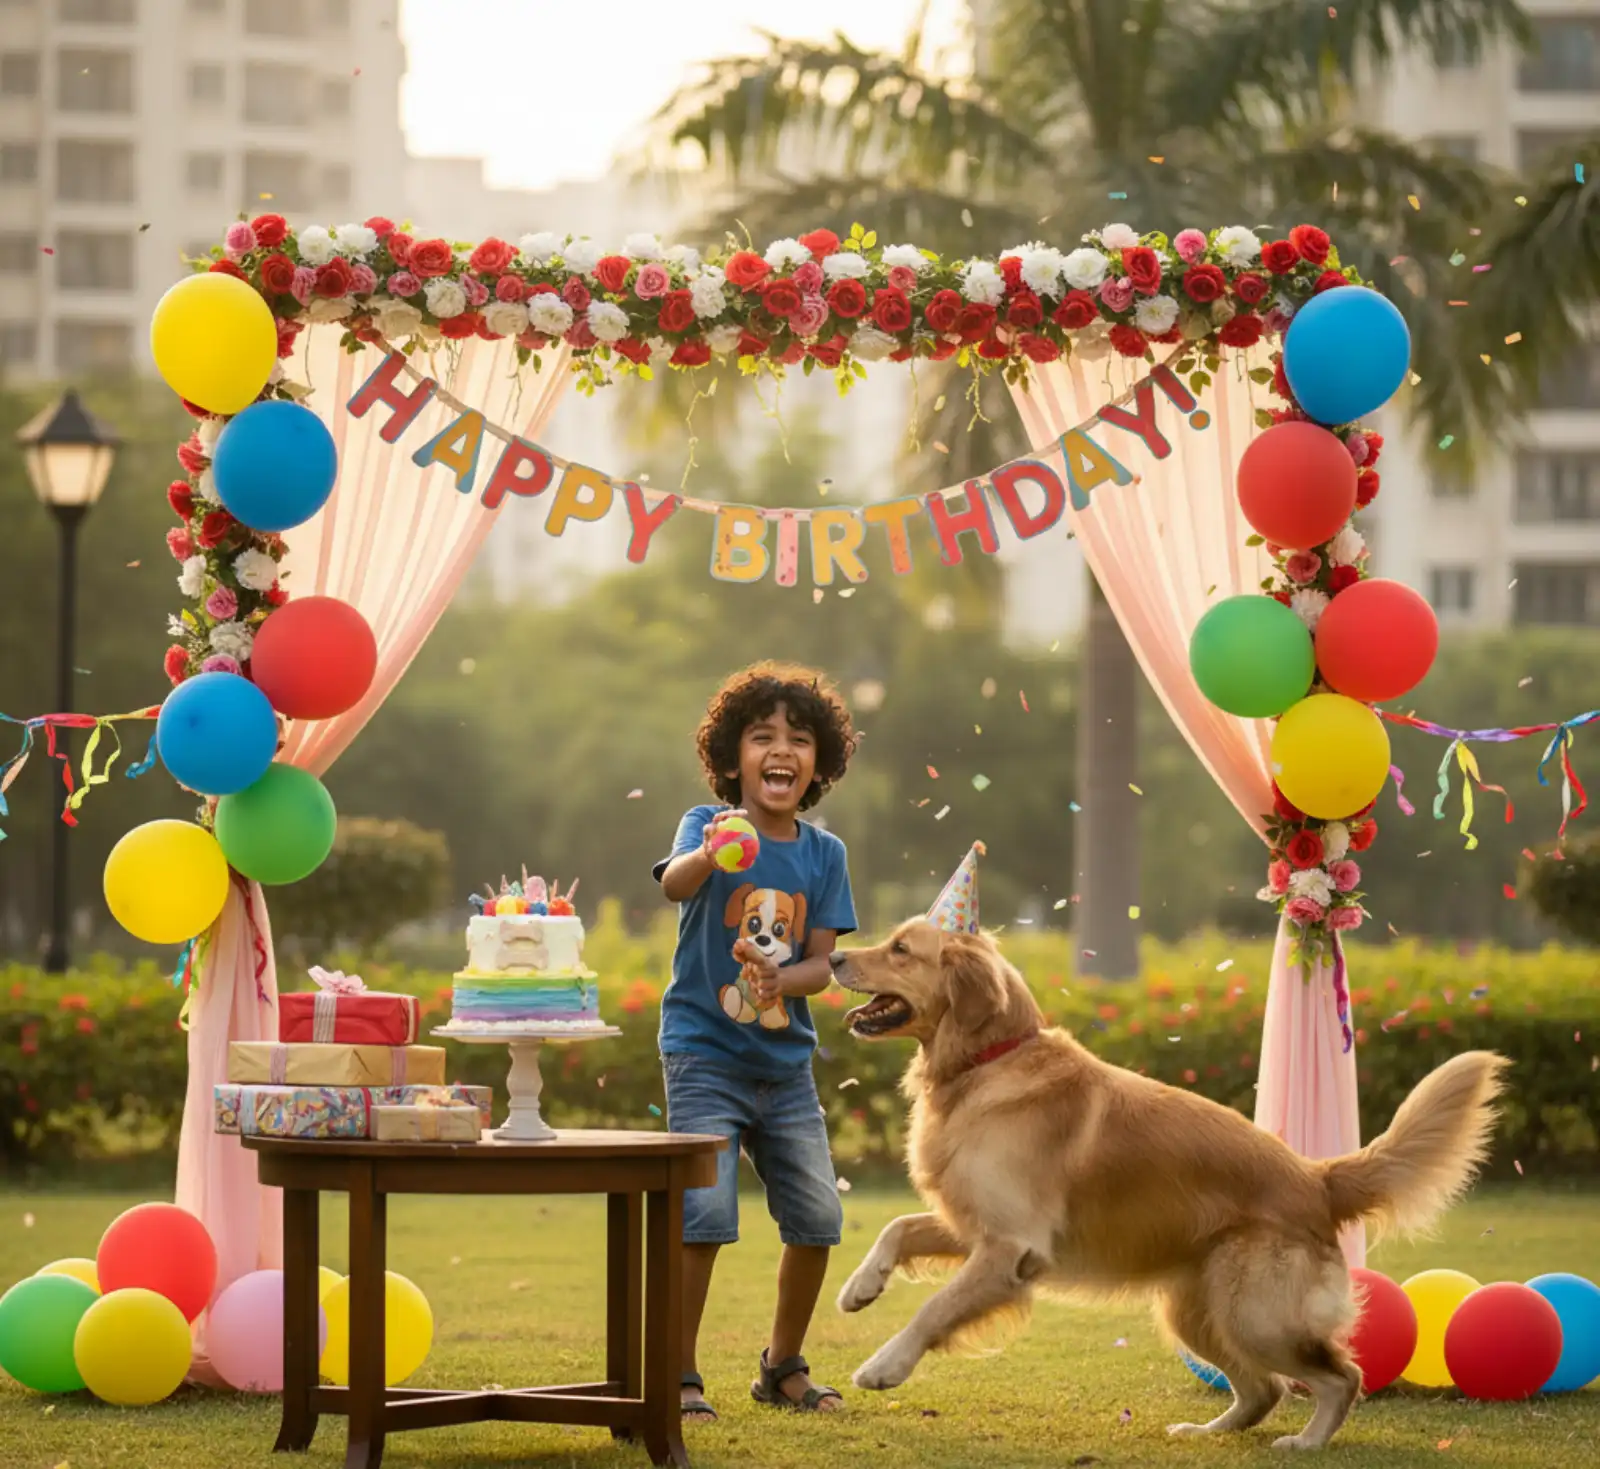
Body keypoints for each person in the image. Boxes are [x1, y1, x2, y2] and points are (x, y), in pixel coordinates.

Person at [653, 662, 858, 1420]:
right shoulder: (707, 825)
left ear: (818, 762)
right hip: (703, 1053)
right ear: (733, 757)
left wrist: (780, 979)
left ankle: (782, 1366)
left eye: (799, 739)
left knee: (818, 1220)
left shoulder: (824, 854)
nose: (781, 750)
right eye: (762, 736)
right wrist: (711, 853)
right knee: (703, 1218)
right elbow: (674, 884)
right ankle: (677, 1375)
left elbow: (823, 965)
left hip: (785, 1067)